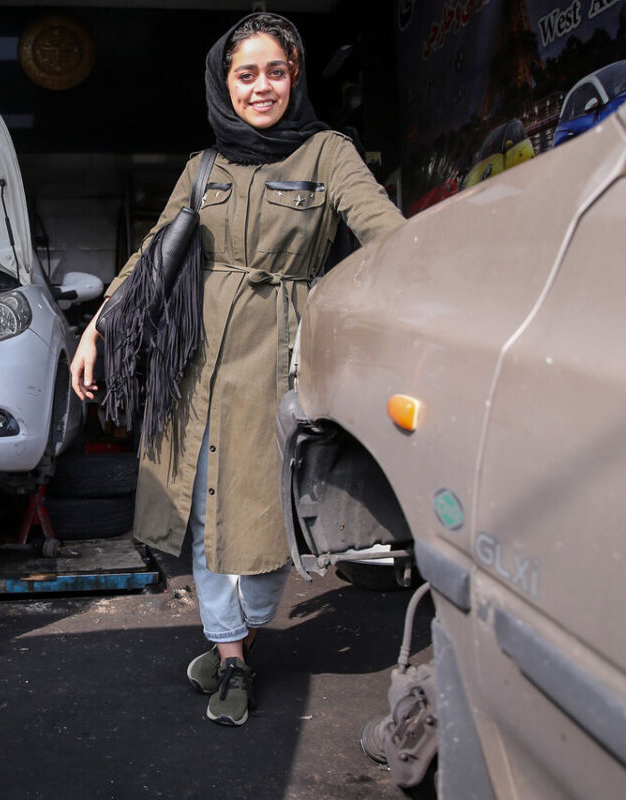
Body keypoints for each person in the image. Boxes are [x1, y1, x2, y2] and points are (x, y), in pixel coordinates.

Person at [71, 13, 405, 726]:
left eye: (275, 72)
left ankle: (238, 635)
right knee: (201, 516)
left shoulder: (327, 153)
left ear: (296, 77)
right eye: (245, 74)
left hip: (278, 361)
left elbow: (387, 238)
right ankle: (230, 656)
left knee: (260, 521)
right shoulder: (205, 167)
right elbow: (151, 254)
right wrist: (96, 327)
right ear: (225, 83)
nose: (261, 87)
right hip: (192, 365)